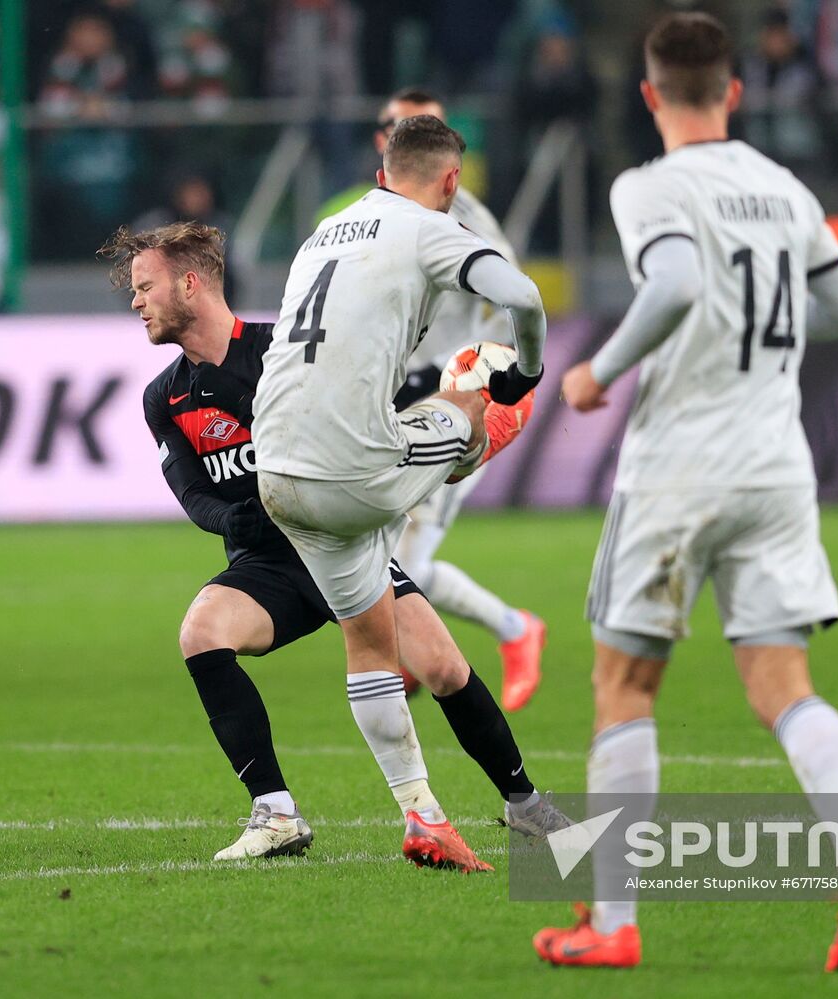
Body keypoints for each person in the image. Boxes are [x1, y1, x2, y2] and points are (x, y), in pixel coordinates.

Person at [534, 12, 838, 972]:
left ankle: (613, 925)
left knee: (624, 685)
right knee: (783, 684)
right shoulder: (782, 187)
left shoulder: (650, 186)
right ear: (733, 94)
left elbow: (678, 284)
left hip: (679, 467)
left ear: (650, 95)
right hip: (776, 461)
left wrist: (598, 370)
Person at [98, 221, 565, 867]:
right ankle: (276, 812)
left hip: (345, 537)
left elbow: (383, 410)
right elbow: (189, 487)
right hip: (269, 562)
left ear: (190, 282)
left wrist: (456, 412)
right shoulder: (165, 397)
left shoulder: (285, 352)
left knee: (446, 669)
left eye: (144, 286)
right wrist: (231, 522)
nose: (135, 301)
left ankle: (528, 806)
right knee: (202, 632)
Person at [251, 116, 548, 869]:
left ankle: (426, 815)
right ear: (450, 182)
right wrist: (525, 375)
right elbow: (524, 296)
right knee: (479, 398)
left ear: (381, 170)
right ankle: (467, 448)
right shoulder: (426, 226)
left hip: (279, 473)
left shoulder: (325, 229)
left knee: (392, 647)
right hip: (358, 468)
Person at [354, 89, 546, 713]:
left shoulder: (462, 214)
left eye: (415, 126)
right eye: (391, 124)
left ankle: (514, 630)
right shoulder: (375, 213)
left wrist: (494, 380)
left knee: (401, 558)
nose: (397, 133)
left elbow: (516, 296)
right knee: (382, 550)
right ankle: (413, 655)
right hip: (396, 395)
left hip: (453, 398)